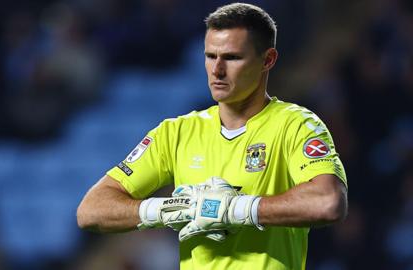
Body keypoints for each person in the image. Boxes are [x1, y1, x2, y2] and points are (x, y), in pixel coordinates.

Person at [77, 3, 348, 270]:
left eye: (232, 57)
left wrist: (236, 210)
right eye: (210, 56)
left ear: (268, 60)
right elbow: (91, 210)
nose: (217, 70)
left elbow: (328, 202)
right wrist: (170, 209)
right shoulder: (176, 133)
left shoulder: (295, 125)